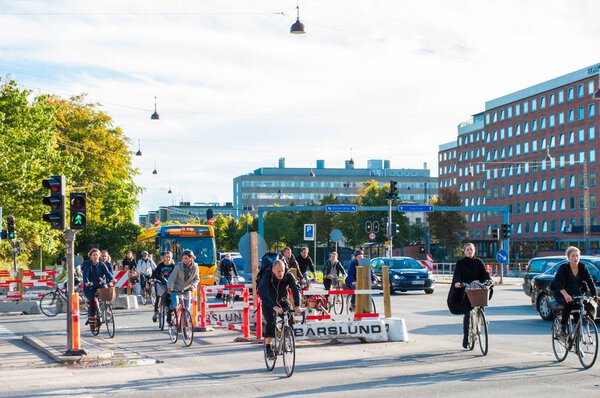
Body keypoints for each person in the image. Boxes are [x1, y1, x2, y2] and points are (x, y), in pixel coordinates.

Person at [449, 242, 492, 349]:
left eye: (471, 249)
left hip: (477, 289)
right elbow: (457, 275)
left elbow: (485, 274)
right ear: (464, 251)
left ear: (474, 251)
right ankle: (465, 337)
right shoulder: (460, 263)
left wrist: (489, 280)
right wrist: (458, 283)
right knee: (467, 313)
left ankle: (481, 321)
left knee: (482, 303)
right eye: (467, 249)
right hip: (466, 290)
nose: (469, 251)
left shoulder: (478, 262)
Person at [258, 259, 301, 360]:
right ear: (273, 270)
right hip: (269, 302)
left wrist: (298, 305)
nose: (281, 273)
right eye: (278, 271)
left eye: (282, 270)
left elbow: (295, 289)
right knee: (270, 321)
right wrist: (274, 306)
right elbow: (262, 292)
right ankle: (268, 347)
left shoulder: (288, 274)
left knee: (290, 318)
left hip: (282, 300)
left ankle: (285, 339)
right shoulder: (267, 275)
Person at [553, 246, 599, 336]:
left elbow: (590, 281)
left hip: (576, 293)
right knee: (570, 303)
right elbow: (557, 282)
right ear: (568, 257)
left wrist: (595, 295)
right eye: (573, 256)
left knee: (583, 305)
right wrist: (566, 295)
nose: (575, 258)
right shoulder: (563, 268)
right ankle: (563, 327)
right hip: (562, 293)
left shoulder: (582, 267)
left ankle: (577, 338)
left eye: (577, 256)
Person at [167, 249, 200, 325]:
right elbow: (172, 277)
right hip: (175, 288)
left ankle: (185, 324)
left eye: (186, 258)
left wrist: (193, 286)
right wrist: (170, 287)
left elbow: (197, 279)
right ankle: (169, 311)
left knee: (187, 308)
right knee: (175, 304)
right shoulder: (178, 266)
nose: (184, 260)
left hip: (187, 289)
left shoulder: (195, 267)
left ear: (191, 258)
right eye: (183, 258)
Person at [82, 248, 114, 325]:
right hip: (90, 287)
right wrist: (86, 282)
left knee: (107, 294)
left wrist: (112, 279)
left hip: (100, 284)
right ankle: (92, 316)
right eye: (94, 255)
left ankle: (107, 309)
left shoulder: (102, 264)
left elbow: (107, 273)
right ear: (91, 256)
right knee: (93, 301)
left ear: (99, 255)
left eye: (97, 255)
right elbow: (85, 275)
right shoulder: (87, 264)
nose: (95, 256)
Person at [151, 251, 176, 322]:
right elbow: (155, 272)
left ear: (171, 258)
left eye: (169, 257)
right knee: (158, 297)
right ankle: (156, 312)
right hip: (160, 283)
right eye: (166, 257)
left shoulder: (173, 266)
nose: (168, 258)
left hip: (170, 284)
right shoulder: (161, 265)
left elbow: (177, 275)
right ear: (164, 257)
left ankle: (169, 311)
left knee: (170, 297)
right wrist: (153, 278)